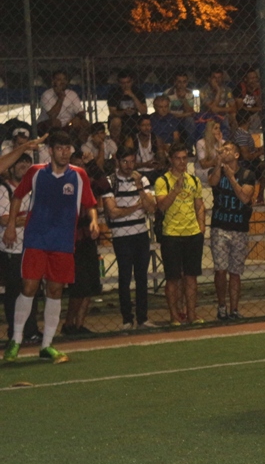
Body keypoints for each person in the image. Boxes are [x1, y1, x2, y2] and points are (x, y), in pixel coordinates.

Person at [2, 132, 98, 363]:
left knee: (55, 291)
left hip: (63, 242)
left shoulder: (79, 175)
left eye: (68, 148)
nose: (65, 152)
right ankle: (16, 339)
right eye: (60, 148)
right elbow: (17, 196)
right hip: (36, 239)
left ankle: (47, 345)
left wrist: (94, 220)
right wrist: (11, 225)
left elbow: (90, 203)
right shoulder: (35, 172)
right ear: (50, 150)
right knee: (29, 287)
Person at [102, 146, 157, 330]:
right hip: (121, 235)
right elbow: (113, 212)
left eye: (132, 161)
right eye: (125, 161)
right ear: (118, 162)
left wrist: (139, 188)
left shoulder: (142, 179)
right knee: (124, 278)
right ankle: (127, 319)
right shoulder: (110, 181)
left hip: (140, 233)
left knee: (142, 278)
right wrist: (136, 207)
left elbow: (151, 207)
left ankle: (142, 318)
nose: (129, 165)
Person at [154, 143, 206, 325]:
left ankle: (191, 314)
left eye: (185, 158)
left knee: (191, 276)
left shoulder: (194, 180)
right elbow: (161, 206)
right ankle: (174, 316)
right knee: (173, 278)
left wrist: (201, 227)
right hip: (172, 234)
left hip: (192, 233)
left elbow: (199, 205)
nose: (182, 162)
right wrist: (175, 191)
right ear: (171, 159)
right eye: (178, 158)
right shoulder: (163, 181)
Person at [209, 142, 256, 320]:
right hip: (220, 226)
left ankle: (234, 309)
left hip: (239, 228)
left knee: (235, 272)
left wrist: (231, 178)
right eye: (223, 149)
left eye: (228, 149)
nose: (224, 151)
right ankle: (222, 306)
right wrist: (218, 164)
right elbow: (212, 182)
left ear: (236, 155)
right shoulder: (217, 171)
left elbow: (245, 197)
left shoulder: (247, 174)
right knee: (220, 270)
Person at [0, 153, 41, 346]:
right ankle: (15, 332)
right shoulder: (5, 189)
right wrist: (28, 219)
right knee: (14, 292)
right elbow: (4, 219)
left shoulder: (32, 190)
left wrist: (21, 219)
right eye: (19, 163)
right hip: (12, 249)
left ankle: (31, 330)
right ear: (10, 168)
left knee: (32, 289)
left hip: (31, 245)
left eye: (27, 163)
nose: (24, 166)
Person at [62, 152, 104, 336]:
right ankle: (68, 323)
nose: (79, 169)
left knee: (91, 286)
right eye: (76, 165)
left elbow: (104, 186)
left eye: (82, 166)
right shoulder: (63, 186)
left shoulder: (88, 185)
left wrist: (92, 163)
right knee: (79, 287)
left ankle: (79, 325)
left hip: (88, 239)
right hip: (72, 241)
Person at [39, 71, 85, 137]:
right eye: (59, 80)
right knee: (55, 122)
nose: (62, 82)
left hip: (68, 123)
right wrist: (61, 98)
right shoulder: (47, 95)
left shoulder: (72, 94)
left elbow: (80, 112)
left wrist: (77, 118)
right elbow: (52, 115)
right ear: (53, 82)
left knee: (84, 123)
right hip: (48, 124)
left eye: (64, 79)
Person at [106, 70, 148, 139]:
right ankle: (115, 144)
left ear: (132, 81)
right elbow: (112, 113)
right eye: (123, 83)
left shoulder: (138, 92)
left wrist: (133, 96)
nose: (125, 85)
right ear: (119, 83)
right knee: (116, 121)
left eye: (128, 82)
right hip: (120, 118)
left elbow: (144, 111)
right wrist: (124, 112)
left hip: (134, 118)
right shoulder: (113, 93)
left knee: (145, 121)